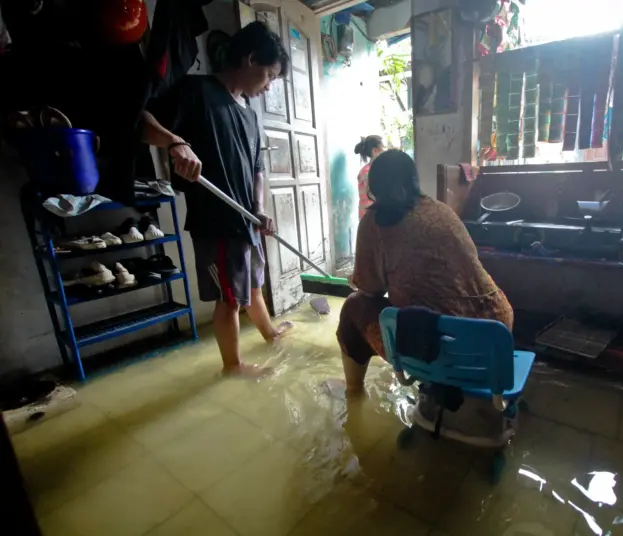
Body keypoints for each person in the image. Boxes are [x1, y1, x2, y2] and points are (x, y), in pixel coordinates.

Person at [140, 21, 293, 376]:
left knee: (253, 283)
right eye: (268, 75)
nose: (268, 86)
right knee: (230, 297)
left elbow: (257, 169)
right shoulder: (196, 91)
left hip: (246, 220)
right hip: (215, 221)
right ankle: (233, 365)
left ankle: (269, 332)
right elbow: (141, 122)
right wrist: (175, 143)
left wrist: (260, 209)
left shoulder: (251, 117)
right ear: (250, 58)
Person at [336, 150, 514, 394]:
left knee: (352, 308)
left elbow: (369, 289)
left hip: (449, 346)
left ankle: (353, 391)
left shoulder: (375, 222)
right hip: (494, 335)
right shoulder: (442, 210)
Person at [354, 135, 384, 219]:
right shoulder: (368, 171)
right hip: (369, 212)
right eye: (383, 150)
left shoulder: (369, 169)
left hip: (369, 211)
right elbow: (373, 193)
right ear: (375, 151)